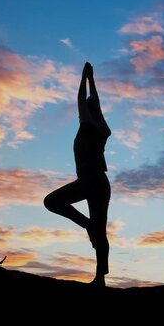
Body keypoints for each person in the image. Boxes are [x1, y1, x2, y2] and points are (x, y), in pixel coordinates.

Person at [44, 62, 111, 286]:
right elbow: (95, 104)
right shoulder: (102, 129)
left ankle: (86, 224)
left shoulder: (88, 125)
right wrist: (92, 80)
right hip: (101, 182)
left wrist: (84, 79)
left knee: (51, 201)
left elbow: (82, 101)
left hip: (90, 180)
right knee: (101, 230)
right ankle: (100, 277)